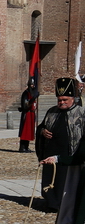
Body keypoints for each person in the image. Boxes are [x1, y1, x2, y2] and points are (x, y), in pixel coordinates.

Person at [37, 77, 85, 214]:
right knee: (51, 178)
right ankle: (51, 203)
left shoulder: (81, 113)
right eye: (59, 100)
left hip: (69, 152)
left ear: (73, 99)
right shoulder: (52, 111)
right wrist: (42, 131)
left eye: (65, 100)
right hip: (51, 151)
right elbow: (41, 127)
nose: (62, 102)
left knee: (66, 179)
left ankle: (67, 204)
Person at [19, 78, 39, 152]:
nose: (32, 86)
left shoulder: (32, 93)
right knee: (25, 131)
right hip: (27, 113)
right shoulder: (26, 93)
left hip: (31, 113)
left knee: (30, 131)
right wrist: (32, 99)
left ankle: (26, 146)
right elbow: (25, 105)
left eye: (33, 84)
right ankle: (22, 147)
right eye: (31, 84)